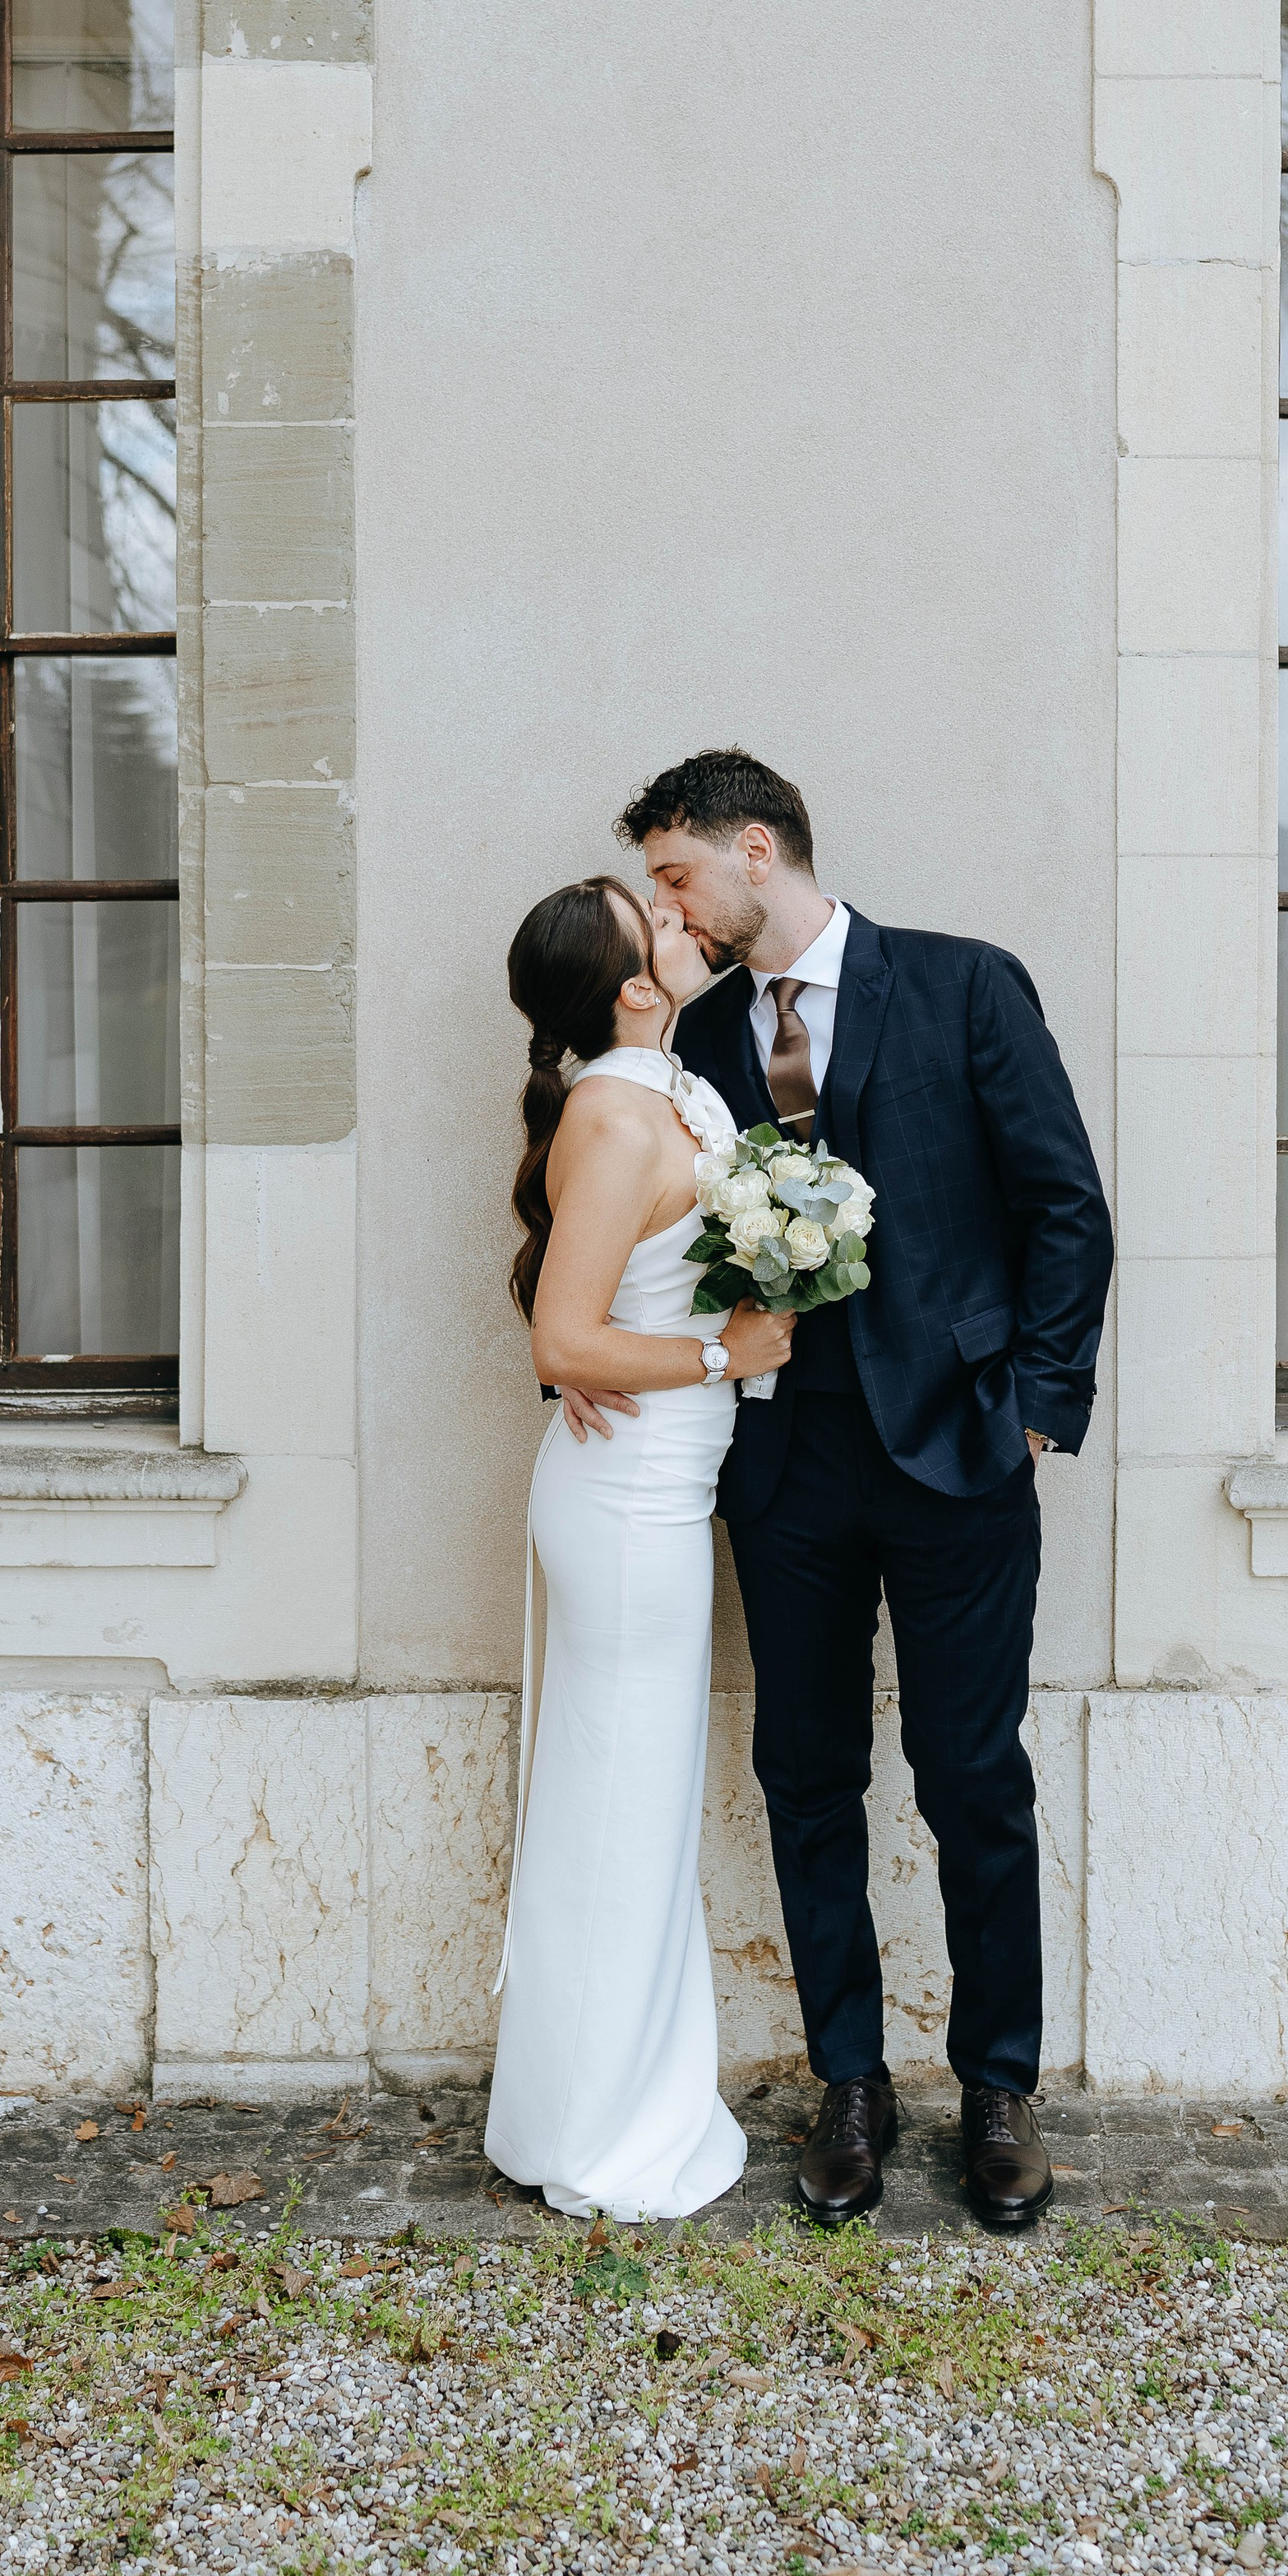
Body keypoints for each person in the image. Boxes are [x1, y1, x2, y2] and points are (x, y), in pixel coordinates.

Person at [566, 747, 1112, 2231]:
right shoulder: (696, 1050)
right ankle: (850, 2084)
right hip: (783, 1468)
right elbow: (610, 1208)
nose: (668, 908)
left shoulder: (965, 983)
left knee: (971, 1774)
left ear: (758, 849)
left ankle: (999, 2088)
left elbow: (1064, 1204)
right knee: (807, 1777)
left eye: (678, 875)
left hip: (961, 1459)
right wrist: (582, 1350)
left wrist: (1038, 1414)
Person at [484, 872, 793, 2221]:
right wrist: (734, 1349)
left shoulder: (673, 1088)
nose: (683, 916)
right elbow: (565, 1344)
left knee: (637, 1810)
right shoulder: (615, 1117)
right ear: (632, 984)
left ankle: (599, 2101)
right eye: (656, 917)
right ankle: (600, 2132)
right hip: (625, 1509)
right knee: (619, 1814)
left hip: (666, 1489)